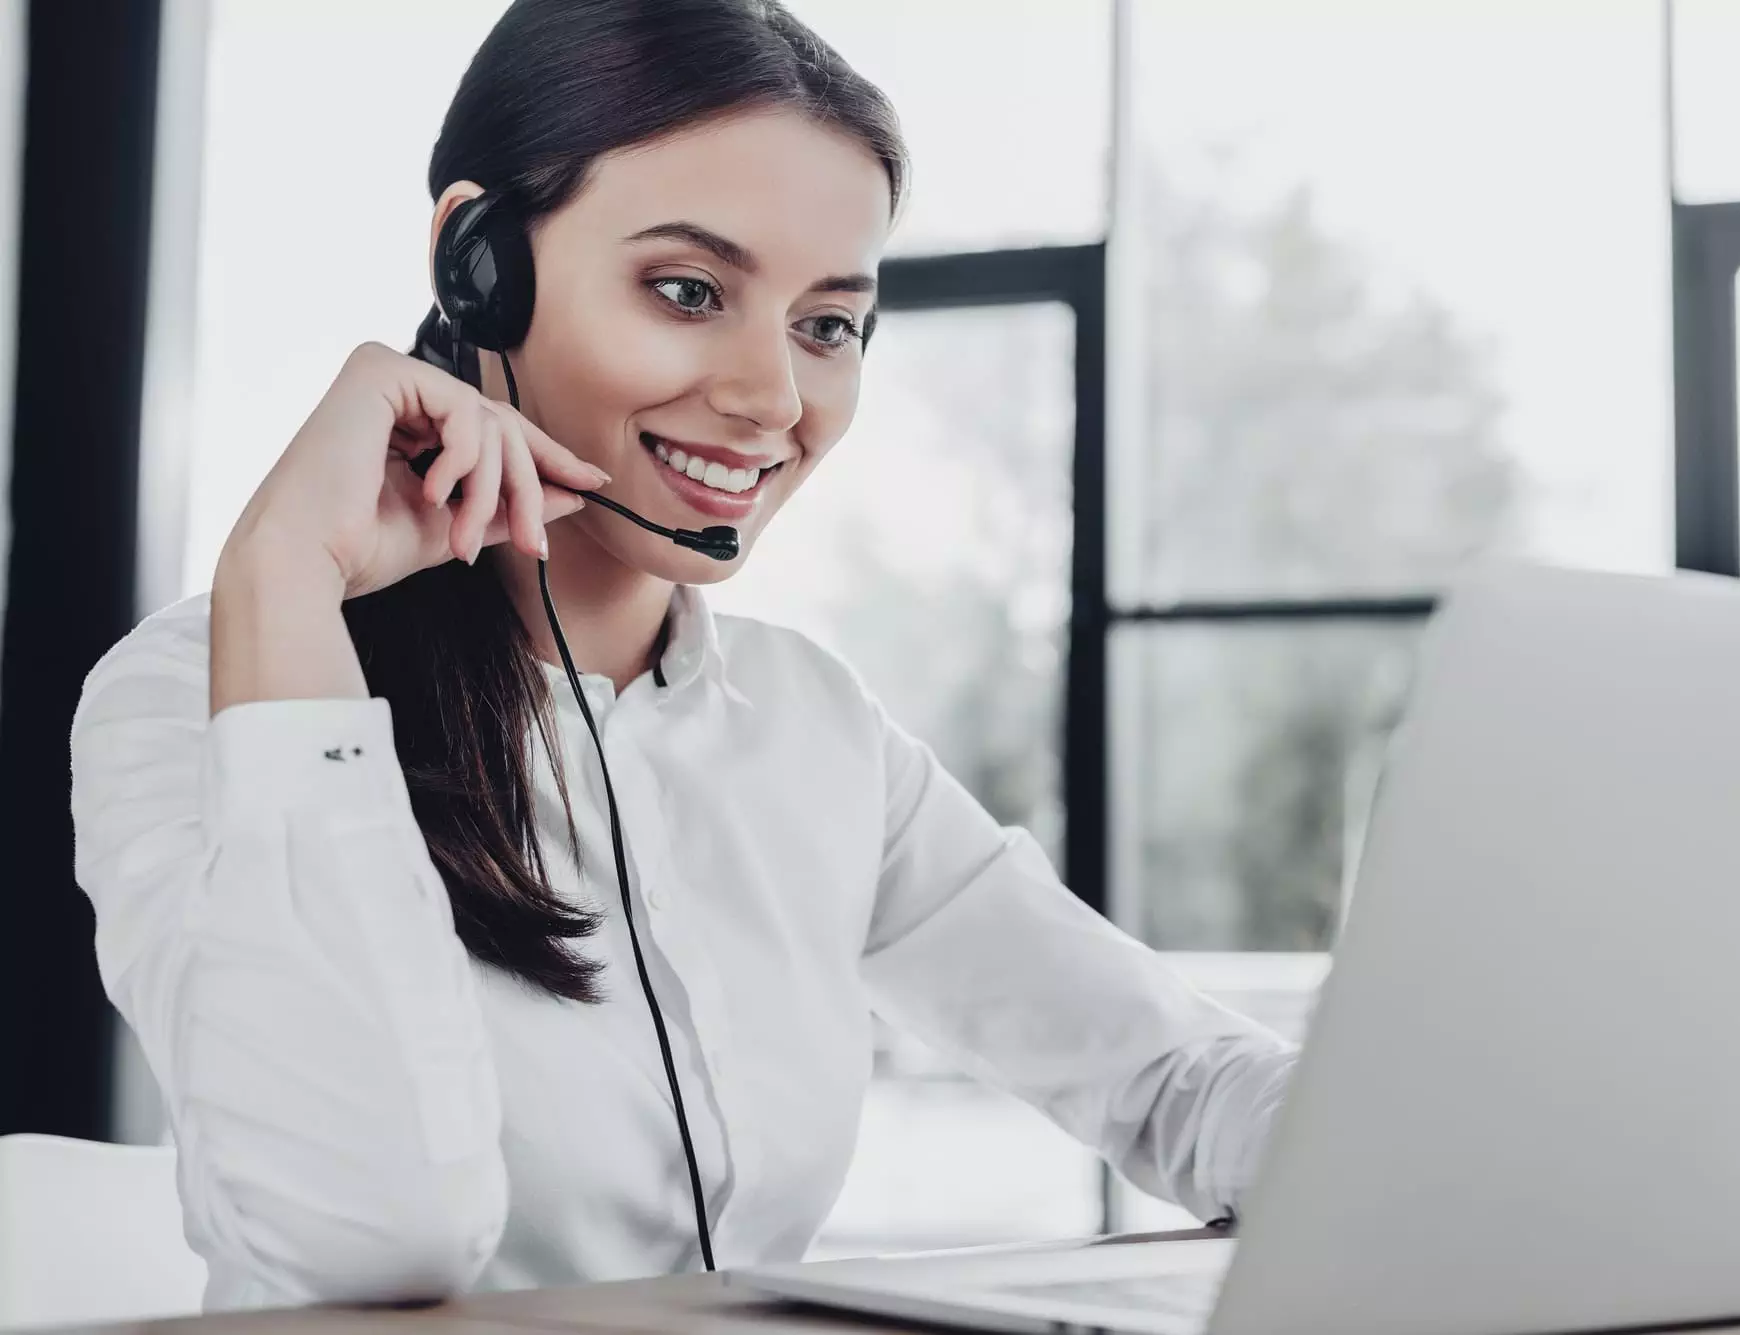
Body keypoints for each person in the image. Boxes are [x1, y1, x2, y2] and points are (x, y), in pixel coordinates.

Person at [69, 0, 1295, 1312]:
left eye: (827, 324)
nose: (774, 396)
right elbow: (366, 1243)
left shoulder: (812, 728)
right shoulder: (201, 696)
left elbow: (1173, 1079)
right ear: (481, 265)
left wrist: (1473, 1136)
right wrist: (284, 578)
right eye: (689, 290)